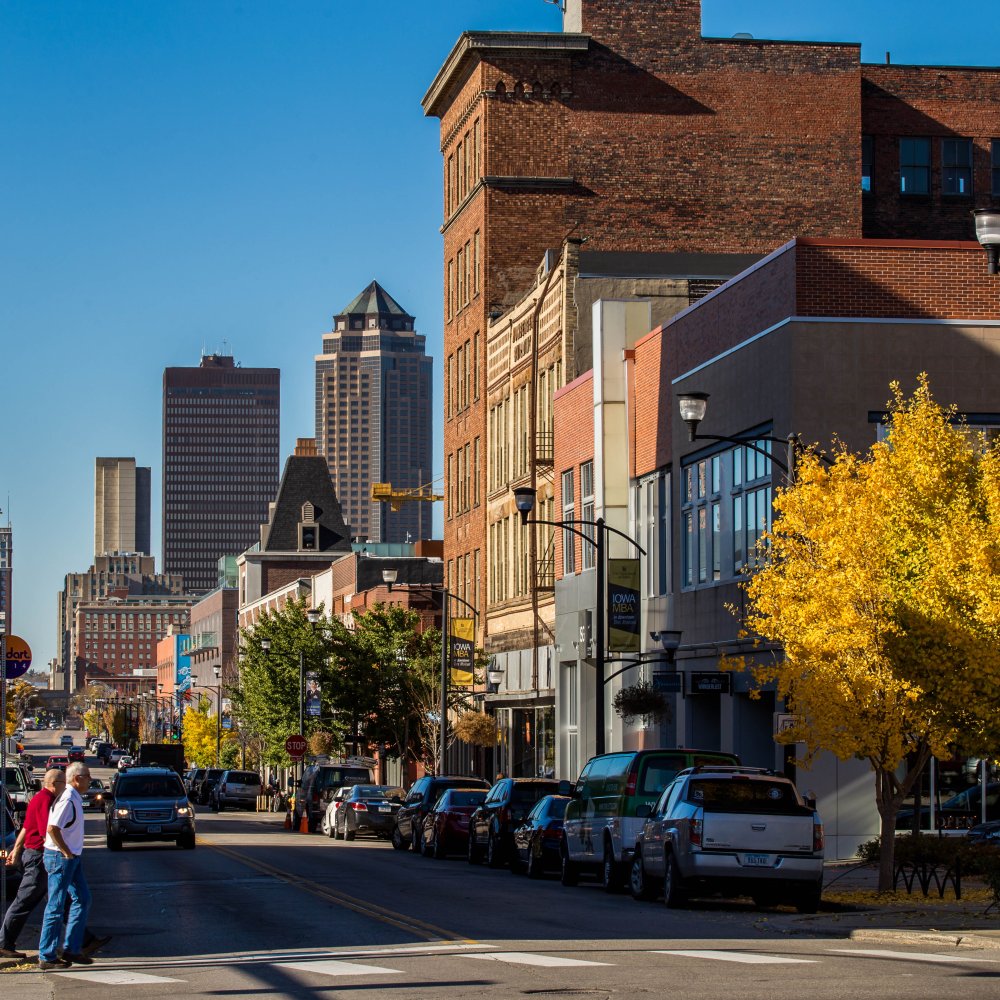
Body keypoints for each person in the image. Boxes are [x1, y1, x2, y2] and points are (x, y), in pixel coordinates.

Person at [0, 769, 110, 964]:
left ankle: (82, 942)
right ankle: (5, 943)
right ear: (54, 784)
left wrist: (16, 850)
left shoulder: (44, 799)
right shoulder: (46, 800)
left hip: (43, 855)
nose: (65, 786)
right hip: (40, 856)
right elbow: (47, 832)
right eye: (62, 782)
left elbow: (26, 826)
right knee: (28, 900)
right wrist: (64, 852)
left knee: (66, 900)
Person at [37, 762, 94, 971]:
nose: (90, 780)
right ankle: (47, 955)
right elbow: (52, 828)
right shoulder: (68, 799)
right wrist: (66, 852)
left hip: (72, 857)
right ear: (77, 779)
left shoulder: (74, 797)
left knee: (83, 898)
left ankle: (72, 948)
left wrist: (71, 854)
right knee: (56, 905)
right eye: (87, 776)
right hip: (60, 858)